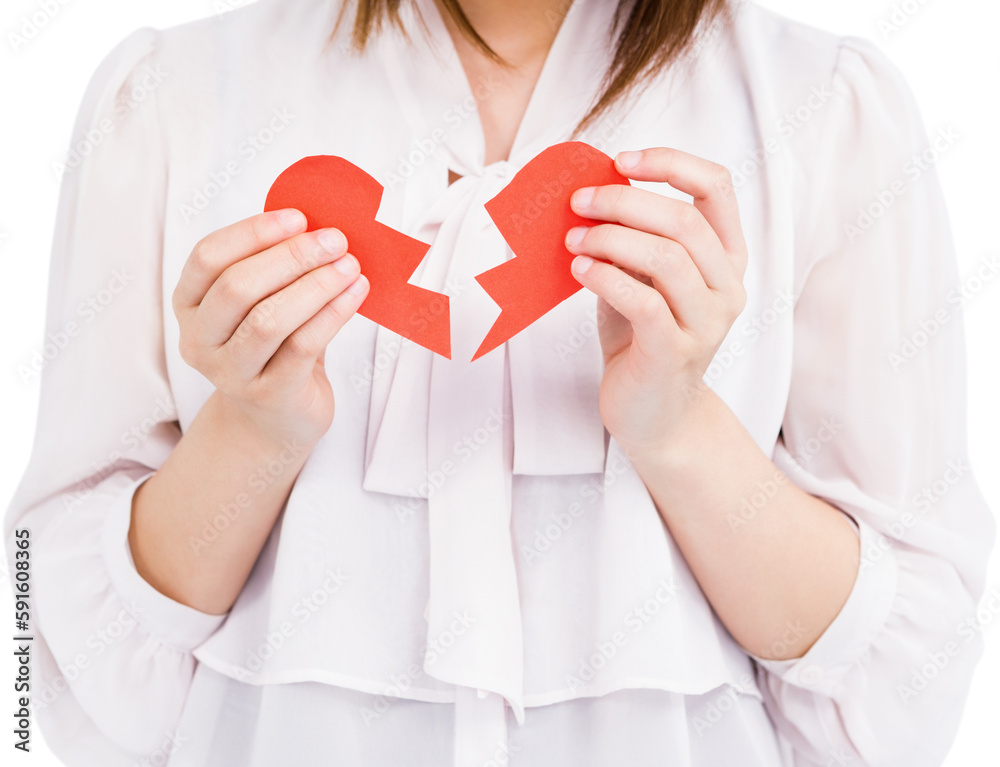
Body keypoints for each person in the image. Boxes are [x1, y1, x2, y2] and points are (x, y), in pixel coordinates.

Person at [5, 0, 995, 764]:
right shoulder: (174, 96)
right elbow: (44, 672)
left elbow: (903, 700)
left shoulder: (824, 109)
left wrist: (677, 427)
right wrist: (252, 430)